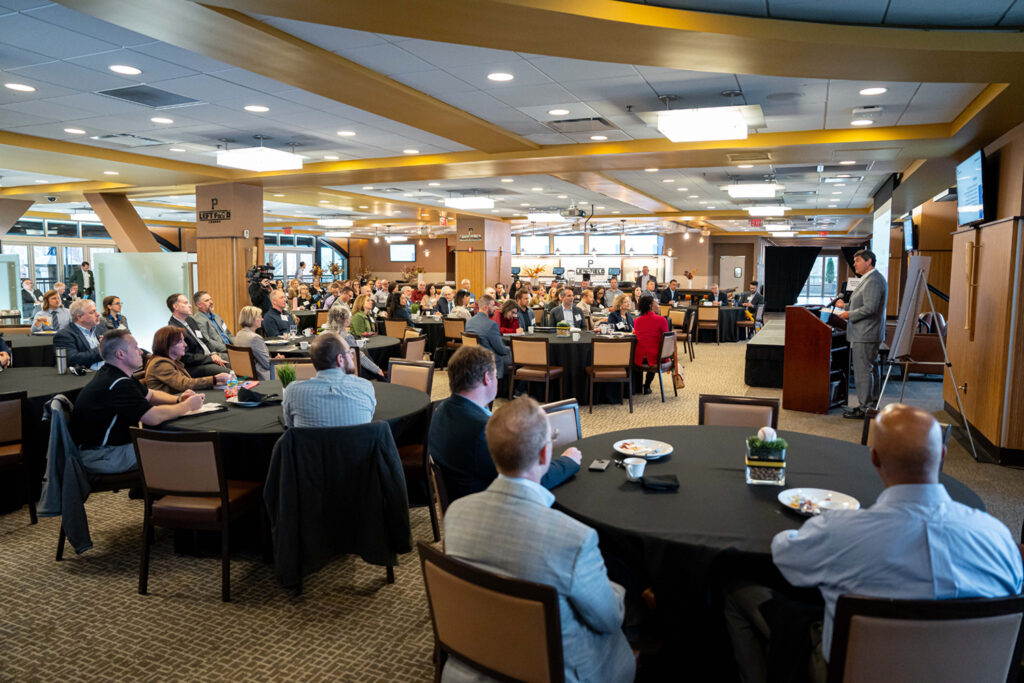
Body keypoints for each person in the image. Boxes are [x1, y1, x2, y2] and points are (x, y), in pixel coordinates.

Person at [725, 404, 1023, 682]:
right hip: (969, 674)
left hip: (852, 673)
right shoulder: (997, 537)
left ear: (874, 457)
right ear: (943, 455)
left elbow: (784, 555)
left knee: (735, 588)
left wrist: (813, 527)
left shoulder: (840, 533)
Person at [442, 395, 635, 683]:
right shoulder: (574, 538)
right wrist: (618, 589)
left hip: (477, 661)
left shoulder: (455, 514)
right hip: (558, 672)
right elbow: (608, 619)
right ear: (546, 455)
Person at [428, 345, 581, 502]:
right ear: (487, 377)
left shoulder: (440, 410)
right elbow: (526, 481)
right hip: (490, 507)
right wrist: (569, 461)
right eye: (495, 375)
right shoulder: (482, 431)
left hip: (460, 501)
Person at [70, 329, 205, 474]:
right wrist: (186, 406)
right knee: (182, 449)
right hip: (102, 455)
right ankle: (164, 491)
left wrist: (178, 398)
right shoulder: (117, 383)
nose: (141, 351)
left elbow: (150, 394)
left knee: (172, 444)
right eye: (135, 348)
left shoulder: (115, 374)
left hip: (106, 448)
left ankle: (150, 490)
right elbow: (152, 417)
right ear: (120, 354)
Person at [282, 331, 376, 428]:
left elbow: (290, 429)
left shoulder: (292, 392)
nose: (352, 356)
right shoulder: (365, 387)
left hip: (311, 443)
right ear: (340, 359)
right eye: (349, 352)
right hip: (356, 443)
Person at [836, 249, 888, 419]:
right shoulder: (868, 279)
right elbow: (863, 303)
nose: (855, 264)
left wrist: (848, 314)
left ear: (868, 262)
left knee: (863, 372)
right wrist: (847, 306)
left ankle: (865, 408)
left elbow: (870, 308)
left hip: (866, 333)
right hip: (865, 332)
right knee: (869, 370)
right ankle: (869, 405)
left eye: (857, 260)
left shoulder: (874, 280)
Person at [144, 326, 230, 394]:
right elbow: (183, 384)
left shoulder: (174, 362)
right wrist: (215, 379)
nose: (185, 345)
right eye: (180, 341)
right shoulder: (160, 363)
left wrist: (214, 384)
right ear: (168, 344)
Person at [166, 293, 228, 378]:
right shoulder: (174, 329)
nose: (190, 305)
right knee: (228, 372)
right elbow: (186, 357)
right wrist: (210, 359)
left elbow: (204, 339)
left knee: (235, 362)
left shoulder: (190, 319)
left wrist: (213, 353)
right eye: (185, 303)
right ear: (175, 307)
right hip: (195, 366)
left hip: (208, 356)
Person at [323, 305, 385, 379]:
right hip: (347, 372)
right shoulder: (346, 337)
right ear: (345, 320)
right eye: (349, 316)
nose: (351, 318)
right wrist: (377, 369)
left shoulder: (323, 335)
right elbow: (359, 357)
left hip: (327, 371)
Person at [466, 294, 512, 379]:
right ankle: (517, 390)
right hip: (490, 360)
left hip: (473, 358)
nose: (495, 308)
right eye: (492, 305)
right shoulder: (491, 325)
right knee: (519, 359)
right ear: (485, 307)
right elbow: (501, 350)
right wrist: (511, 349)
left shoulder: (469, 322)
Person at [632, 294, 669, 394]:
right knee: (654, 355)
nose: (658, 305)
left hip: (639, 356)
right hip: (655, 356)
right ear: (650, 306)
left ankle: (638, 387)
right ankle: (647, 385)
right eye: (656, 303)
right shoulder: (661, 320)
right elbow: (667, 340)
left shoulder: (636, 321)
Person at [53, 299, 104, 370]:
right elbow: (72, 360)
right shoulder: (64, 335)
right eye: (92, 312)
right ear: (80, 317)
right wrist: (102, 349)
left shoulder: (101, 329)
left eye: (96, 311)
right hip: (87, 376)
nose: (98, 314)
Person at [235, 305, 281, 380]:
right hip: (263, 376)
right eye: (260, 317)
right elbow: (267, 365)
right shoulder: (255, 338)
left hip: (244, 376)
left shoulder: (239, 334)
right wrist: (278, 361)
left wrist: (273, 359)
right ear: (253, 319)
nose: (262, 319)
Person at [190, 290, 234, 355]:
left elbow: (228, 333)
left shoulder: (217, 317)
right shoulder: (197, 320)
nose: (211, 302)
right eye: (207, 300)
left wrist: (238, 344)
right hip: (218, 353)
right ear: (199, 305)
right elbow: (207, 341)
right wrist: (228, 348)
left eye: (210, 299)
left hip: (231, 349)